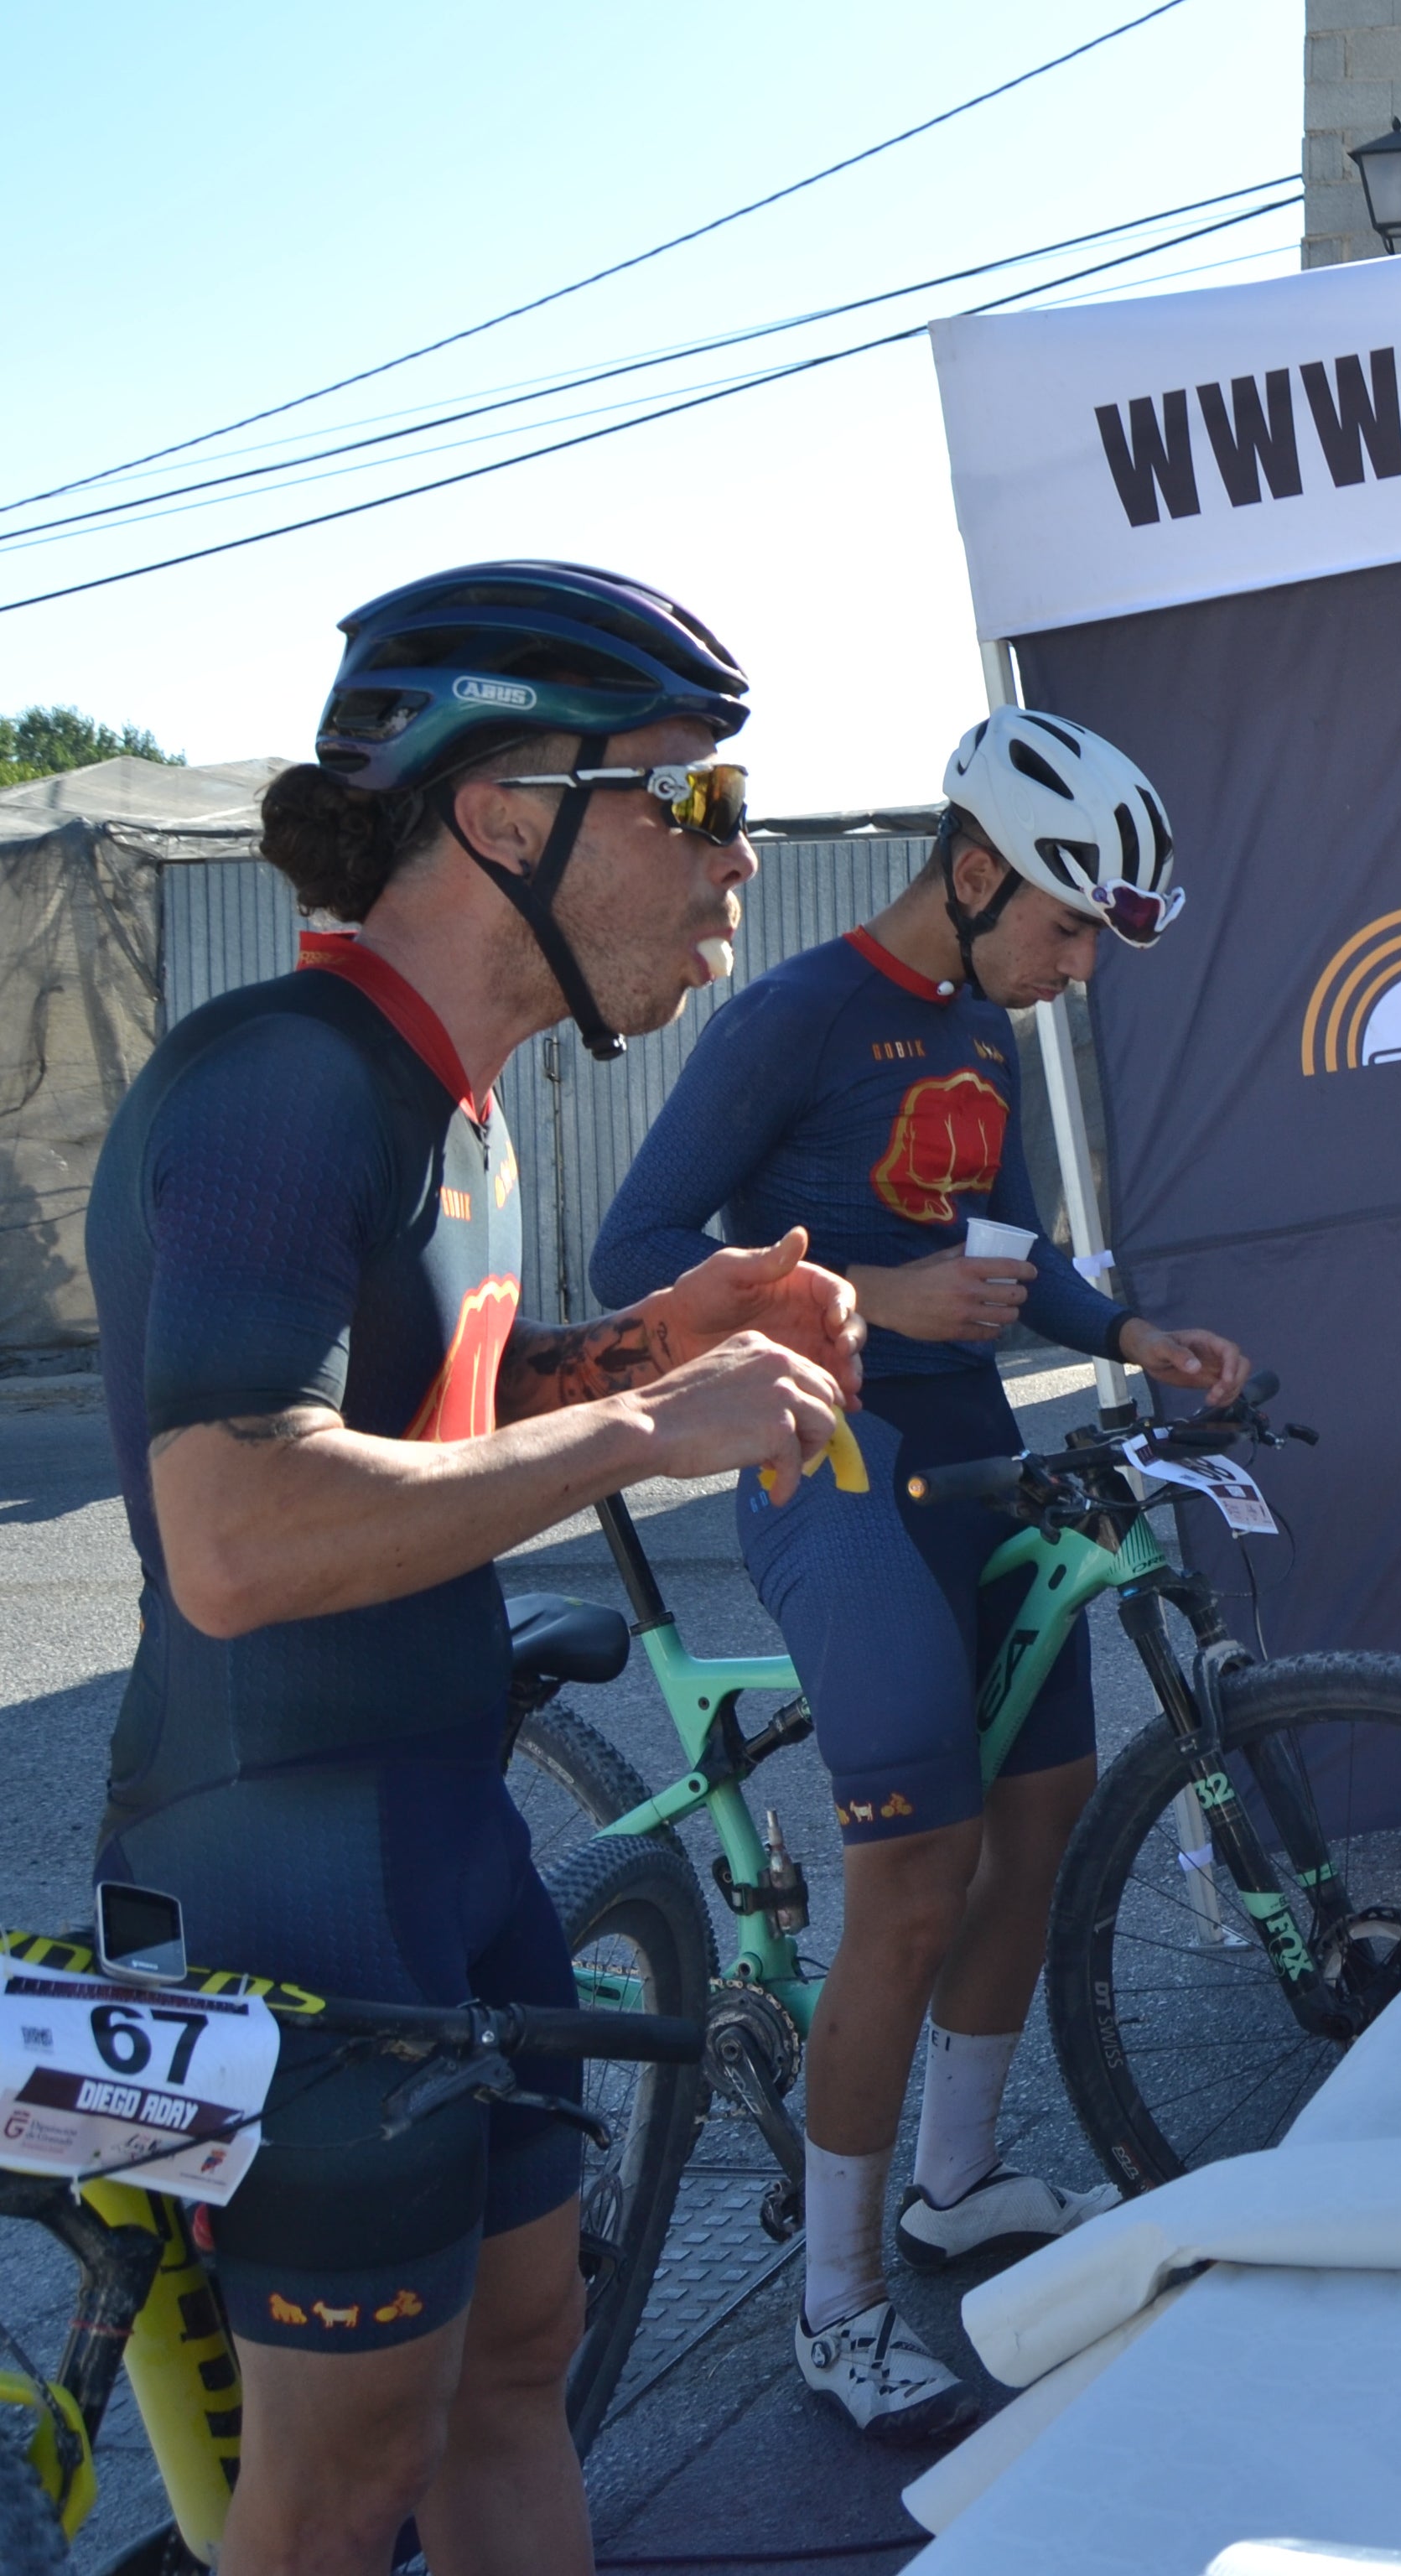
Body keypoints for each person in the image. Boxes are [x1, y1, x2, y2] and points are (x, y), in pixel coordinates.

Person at [86, 561, 861, 2574]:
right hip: (277, 1857)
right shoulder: (281, 1077)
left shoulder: (465, 1106)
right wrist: (637, 1435)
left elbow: (421, 1396)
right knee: (336, 2483)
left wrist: (635, 1348)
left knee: (517, 2361)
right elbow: (240, 1532)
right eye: (688, 797)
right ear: (507, 809)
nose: (738, 856)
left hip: (441, 1820)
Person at [593, 709, 1248, 2443]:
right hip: (833, 1467)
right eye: (1060, 926)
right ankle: (837, 2301)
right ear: (971, 869)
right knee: (912, 1873)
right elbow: (631, 1249)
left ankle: (957, 2184)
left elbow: (1015, 1253)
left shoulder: (983, 1021)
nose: (1074, 965)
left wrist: (1131, 1331)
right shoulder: (796, 1018)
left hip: (976, 1465)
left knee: (1044, 1818)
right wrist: (868, 1301)